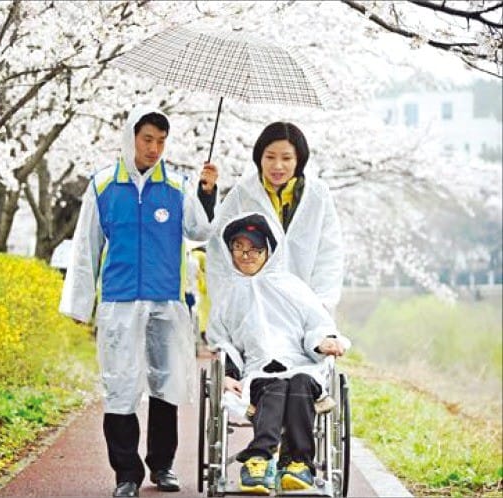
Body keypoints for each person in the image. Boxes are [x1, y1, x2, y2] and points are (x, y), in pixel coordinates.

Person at [59, 105, 218, 498]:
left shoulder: (178, 187)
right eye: (147, 139)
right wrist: (82, 305)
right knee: (121, 384)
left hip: (167, 299)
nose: (154, 148)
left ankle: (161, 466)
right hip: (120, 300)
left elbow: (200, 230)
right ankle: (125, 473)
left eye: (161, 141)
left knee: (167, 383)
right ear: (130, 138)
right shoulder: (102, 187)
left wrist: (207, 191)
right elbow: (86, 248)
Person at [207, 213, 349, 495]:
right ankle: (260, 458)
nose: (246, 255)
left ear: (268, 251)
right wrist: (228, 376)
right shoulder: (229, 295)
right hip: (259, 371)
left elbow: (316, 324)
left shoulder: (292, 287)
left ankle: (297, 462)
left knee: (296, 383)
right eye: (239, 248)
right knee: (274, 386)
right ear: (230, 251)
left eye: (254, 249)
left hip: (302, 366)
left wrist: (323, 343)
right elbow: (224, 342)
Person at [207, 121, 344, 315]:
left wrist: (322, 304)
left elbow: (329, 253)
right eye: (270, 157)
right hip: (253, 310)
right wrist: (227, 304)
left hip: (306, 307)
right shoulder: (242, 195)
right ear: (259, 158)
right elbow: (218, 252)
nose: (277, 166)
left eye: (286, 158)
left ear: (299, 160)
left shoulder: (317, 196)